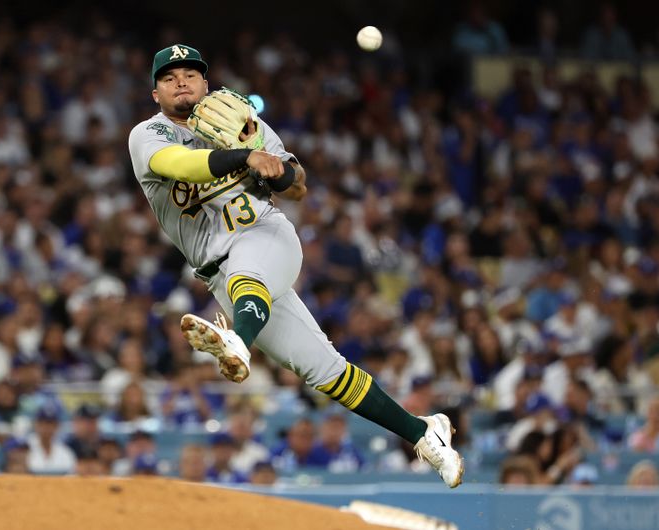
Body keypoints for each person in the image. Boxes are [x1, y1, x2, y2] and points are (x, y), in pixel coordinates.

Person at [127, 44, 463, 487]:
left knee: (249, 276)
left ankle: (236, 342)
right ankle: (425, 434)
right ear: (156, 94)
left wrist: (276, 169)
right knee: (325, 370)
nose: (181, 82)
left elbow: (297, 185)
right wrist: (245, 157)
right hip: (223, 275)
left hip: (267, 238)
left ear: (206, 83)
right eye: (169, 78)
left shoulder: (239, 116)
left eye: (190, 74)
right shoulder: (147, 135)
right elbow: (182, 165)